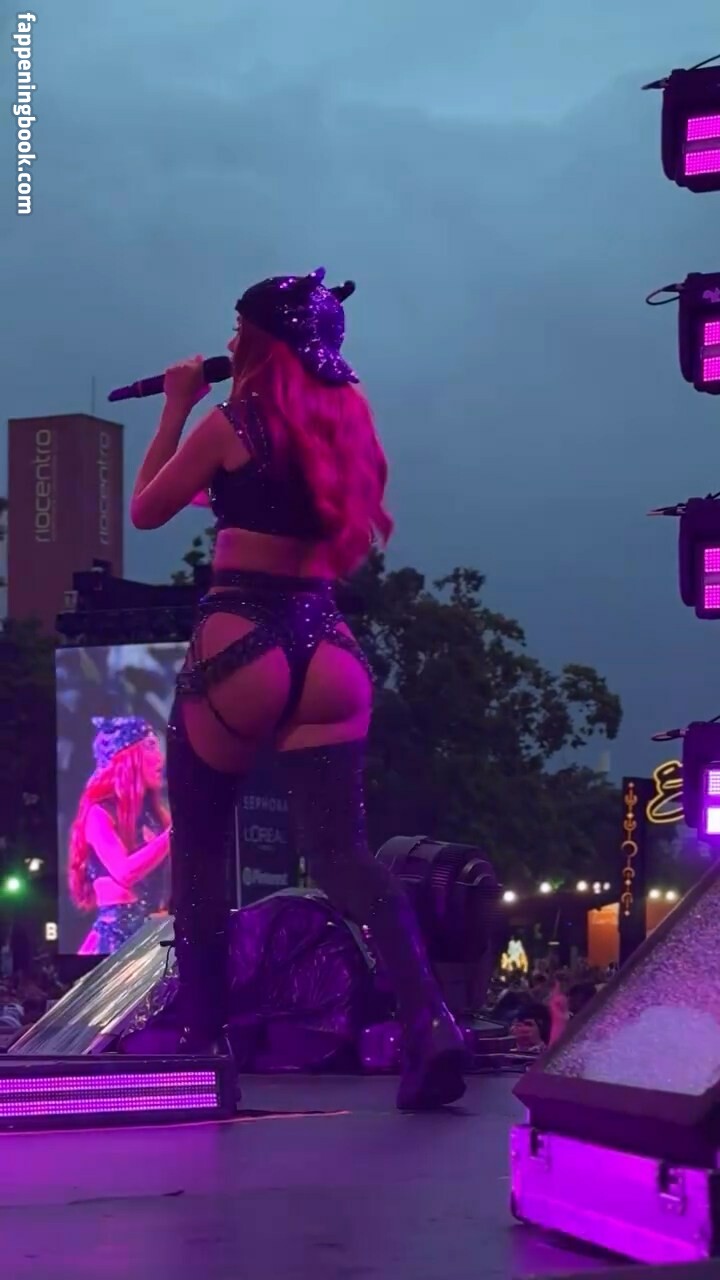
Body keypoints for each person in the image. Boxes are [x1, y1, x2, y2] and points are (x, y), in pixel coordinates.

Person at [129, 267, 468, 1110]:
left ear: (262, 343)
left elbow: (145, 509)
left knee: (200, 855)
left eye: (238, 329)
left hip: (240, 638)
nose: (228, 341)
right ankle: (431, 1022)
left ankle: (204, 1048)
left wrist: (175, 405)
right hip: (328, 650)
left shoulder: (229, 423)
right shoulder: (345, 427)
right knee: (344, 855)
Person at [68, 717, 171, 954]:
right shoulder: (99, 814)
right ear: (129, 758)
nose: (160, 759)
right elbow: (125, 872)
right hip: (114, 943)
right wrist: (173, 835)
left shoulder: (156, 817)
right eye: (151, 747)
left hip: (154, 939)